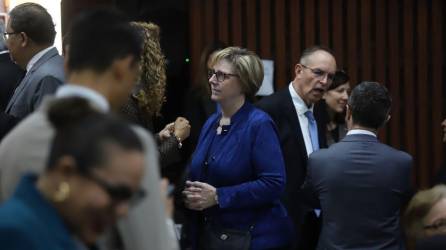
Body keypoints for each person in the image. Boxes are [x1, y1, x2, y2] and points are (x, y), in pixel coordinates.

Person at [0, 8, 178, 250]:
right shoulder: (127, 144)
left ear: (68, 59)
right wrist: (164, 218)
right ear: (125, 67)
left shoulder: (14, 141)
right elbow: (152, 245)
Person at [183, 47, 293, 249]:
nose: (212, 80)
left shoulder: (259, 124)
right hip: (214, 236)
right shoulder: (211, 122)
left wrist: (218, 196)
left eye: (222, 75)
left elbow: (274, 183)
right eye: (212, 73)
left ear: (243, 82)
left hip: (253, 238)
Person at [0, 97, 145, 250]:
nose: (123, 211)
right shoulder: (15, 235)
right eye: (116, 193)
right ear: (66, 172)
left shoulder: (59, 232)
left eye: (130, 198)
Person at [304, 81, 413, 249]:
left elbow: (311, 200)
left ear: (348, 112)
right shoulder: (402, 162)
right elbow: (404, 202)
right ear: (386, 119)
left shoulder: (319, 160)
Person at [256, 46, 336, 249]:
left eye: (330, 77)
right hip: (280, 222)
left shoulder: (319, 111)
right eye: (318, 73)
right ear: (299, 70)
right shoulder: (268, 110)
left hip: (316, 220)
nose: (324, 82)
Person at [121, 21, 190, 170]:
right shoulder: (124, 100)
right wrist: (177, 138)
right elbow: (143, 165)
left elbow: (134, 145)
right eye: (156, 51)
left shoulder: (127, 92)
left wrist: (159, 137)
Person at [3, 3, 64, 120]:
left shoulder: (47, 78)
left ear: (23, 39)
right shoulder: (45, 68)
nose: (6, 43)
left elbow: (45, 133)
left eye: (8, 35)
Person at [314, 70, 350, 145]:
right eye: (340, 91)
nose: (346, 97)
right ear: (323, 93)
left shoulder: (347, 124)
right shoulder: (313, 124)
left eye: (348, 92)